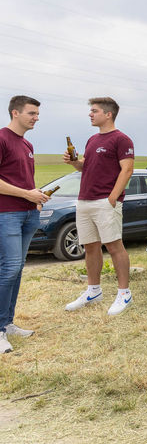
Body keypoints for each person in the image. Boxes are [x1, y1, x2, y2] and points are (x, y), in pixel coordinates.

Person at [63, 98, 135, 316]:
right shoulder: (92, 139)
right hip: (84, 200)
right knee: (90, 247)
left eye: (94, 111)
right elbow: (85, 167)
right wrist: (74, 162)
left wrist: (112, 198)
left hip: (105, 201)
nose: (90, 114)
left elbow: (127, 170)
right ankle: (93, 290)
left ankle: (124, 293)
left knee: (114, 246)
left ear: (108, 114)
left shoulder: (122, 139)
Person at [0, 96, 49, 354]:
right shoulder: (1, 138)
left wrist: (36, 195)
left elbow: (22, 180)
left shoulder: (27, 144)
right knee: (8, 269)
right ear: (15, 112)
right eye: (32, 113)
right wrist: (26, 194)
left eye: (37, 113)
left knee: (17, 269)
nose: (36, 117)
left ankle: (7, 323)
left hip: (29, 214)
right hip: (6, 214)